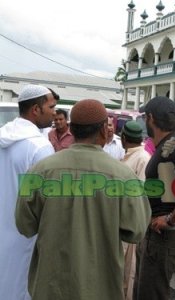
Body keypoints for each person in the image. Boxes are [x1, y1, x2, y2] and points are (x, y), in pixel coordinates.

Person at [15, 99, 151, 300]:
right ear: (104, 130)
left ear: (72, 129)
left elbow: (24, 225)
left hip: (50, 287)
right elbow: (137, 230)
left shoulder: (40, 170)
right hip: (101, 288)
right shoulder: (124, 176)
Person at [133, 96, 175, 300]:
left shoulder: (173, 145)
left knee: (151, 295)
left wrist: (172, 218)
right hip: (158, 235)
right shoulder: (166, 145)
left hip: (165, 236)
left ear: (151, 118)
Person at [0, 84, 56, 300]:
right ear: (35, 109)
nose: (54, 111)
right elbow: (46, 200)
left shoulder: (4, 136)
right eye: (51, 106)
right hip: (24, 235)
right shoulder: (39, 148)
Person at [120, 120, 151, 300]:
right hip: (123, 221)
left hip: (131, 223)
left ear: (124, 138)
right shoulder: (131, 156)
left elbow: (140, 195)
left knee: (129, 275)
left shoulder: (142, 158)